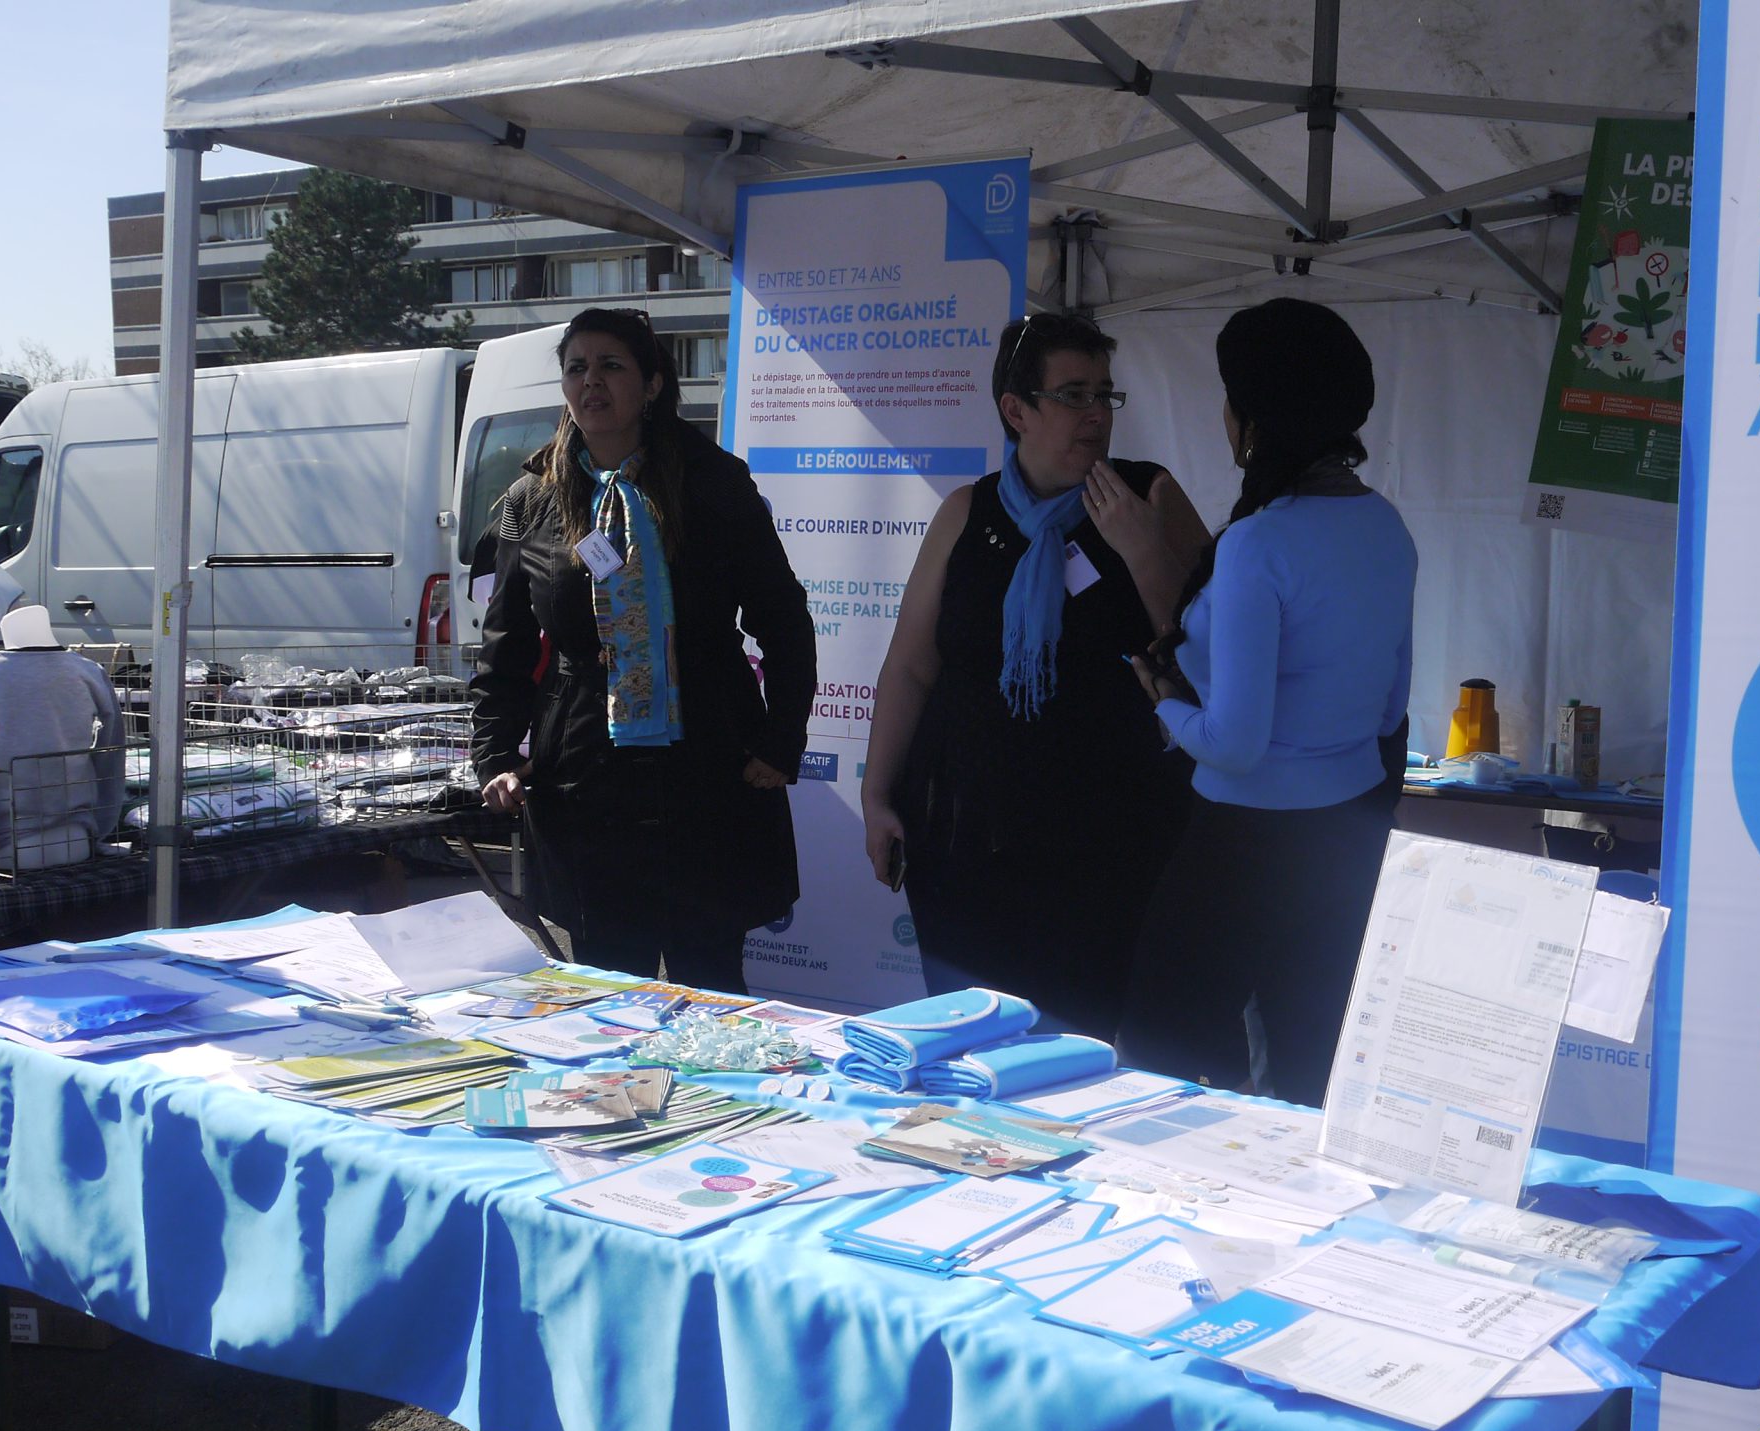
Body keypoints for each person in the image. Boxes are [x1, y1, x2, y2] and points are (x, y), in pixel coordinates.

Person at [861, 313, 1210, 1035]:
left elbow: (1213, 656)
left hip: (1107, 848)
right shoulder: (967, 511)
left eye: (1105, 396)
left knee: (1085, 1052)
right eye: (1073, 394)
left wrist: (1144, 553)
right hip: (963, 841)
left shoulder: (1148, 495)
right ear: (1015, 410)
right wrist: (875, 792)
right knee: (968, 1046)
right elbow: (910, 668)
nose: (1094, 415)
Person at [1118, 298, 1418, 1107]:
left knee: (1166, 1066)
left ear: (1253, 415)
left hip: (1241, 848)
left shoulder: (1260, 543)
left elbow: (1236, 744)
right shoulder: (1387, 526)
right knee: (1313, 1073)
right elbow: (1391, 712)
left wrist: (1162, 701)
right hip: (1346, 838)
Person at [471, 308, 817, 993]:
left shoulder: (715, 483)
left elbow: (782, 618)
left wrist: (781, 740)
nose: (590, 382)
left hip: (708, 774)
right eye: (576, 368)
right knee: (604, 993)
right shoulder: (532, 498)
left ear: (653, 384)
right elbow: (506, 647)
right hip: (586, 783)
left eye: (611, 366)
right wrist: (496, 755)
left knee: (710, 991)